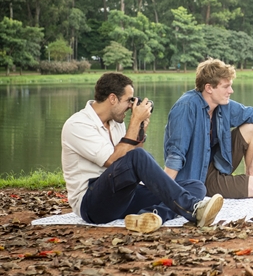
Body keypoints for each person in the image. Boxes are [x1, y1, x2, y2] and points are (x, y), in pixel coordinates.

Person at [61, 73, 223, 234]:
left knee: (194, 185)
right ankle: (193, 210)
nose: (132, 106)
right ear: (112, 99)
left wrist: (140, 129)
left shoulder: (116, 123)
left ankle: (151, 216)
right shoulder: (78, 124)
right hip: (92, 203)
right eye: (129, 100)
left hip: (123, 196)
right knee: (141, 159)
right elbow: (112, 160)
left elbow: (131, 158)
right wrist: (134, 122)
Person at [164, 58, 253, 199]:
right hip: (194, 180)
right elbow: (176, 154)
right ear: (209, 88)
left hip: (215, 168)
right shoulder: (186, 107)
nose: (231, 91)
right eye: (226, 86)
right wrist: (166, 192)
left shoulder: (224, 106)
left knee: (252, 129)